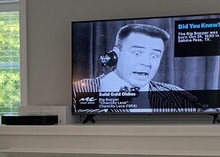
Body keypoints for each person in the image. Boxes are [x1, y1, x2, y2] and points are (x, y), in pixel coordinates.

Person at [73, 23, 203, 112]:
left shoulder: (177, 95)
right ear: (116, 54)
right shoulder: (79, 90)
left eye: (154, 56)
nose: (147, 63)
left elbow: (207, 115)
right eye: (137, 53)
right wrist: (105, 101)